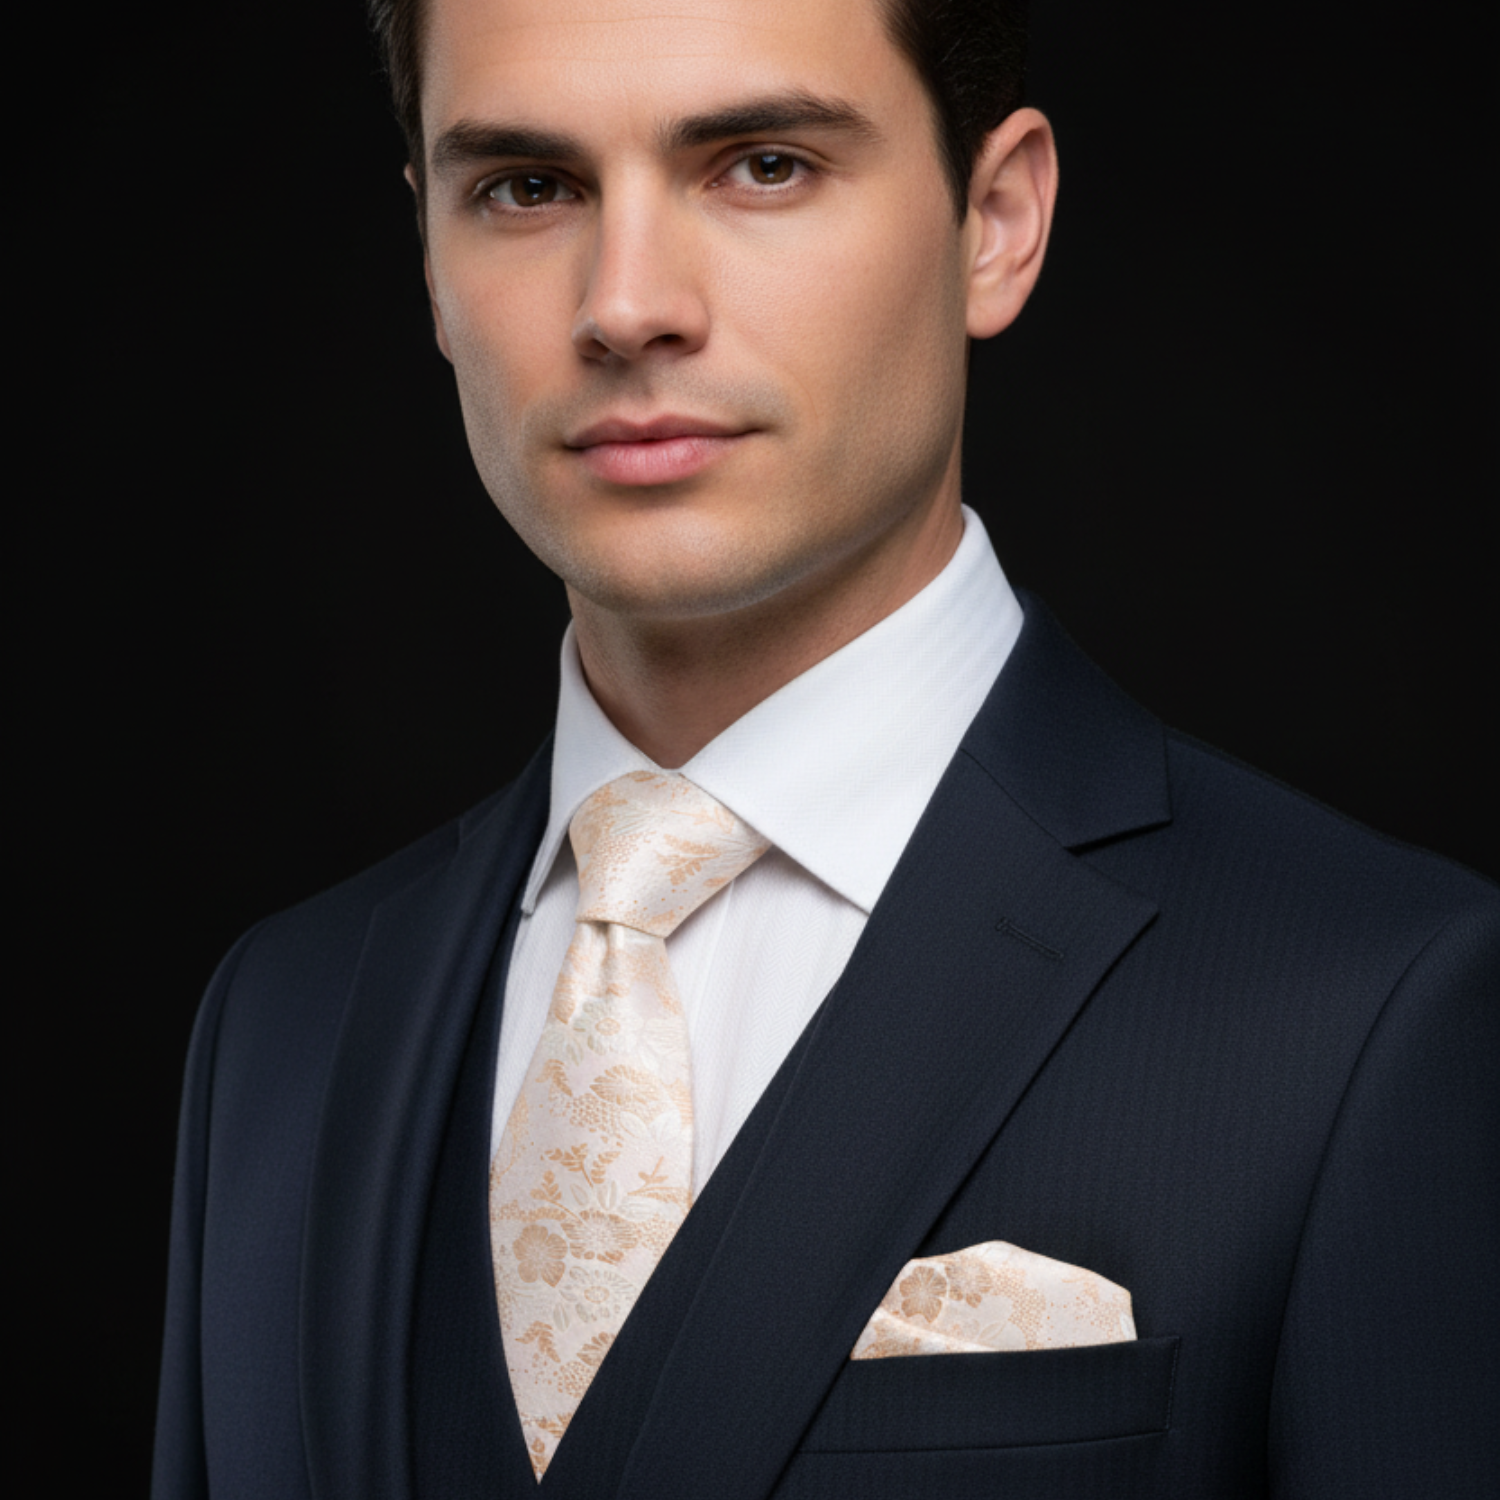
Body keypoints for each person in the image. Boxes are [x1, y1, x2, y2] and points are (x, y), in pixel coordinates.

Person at [151, 0, 1498, 1495]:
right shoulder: (283, 1018)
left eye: (764, 164)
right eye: (527, 187)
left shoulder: (1376, 1006)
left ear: (994, 219)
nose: (628, 304)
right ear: (430, 257)